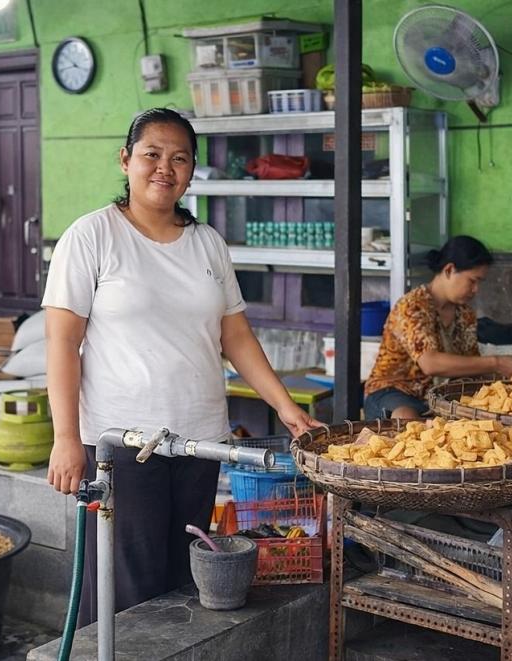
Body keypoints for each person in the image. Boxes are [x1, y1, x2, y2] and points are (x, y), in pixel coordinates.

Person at [41, 108, 319, 625]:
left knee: (181, 581)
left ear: (192, 172)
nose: (163, 168)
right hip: (121, 446)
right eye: (151, 154)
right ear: (126, 160)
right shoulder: (91, 237)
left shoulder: (207, 243)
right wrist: (64, 437)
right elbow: (61, 344)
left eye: (179, 159)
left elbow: (235, 335)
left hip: (198, 439)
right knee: (129, 585)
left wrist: (286, 408)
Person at [363, 235, 512, 420]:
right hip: (393, 391)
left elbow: (470, 365)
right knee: (406, 418)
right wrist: (497, 362)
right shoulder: (413, 306)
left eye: (479, 283)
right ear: (449, 270)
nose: (476, 289)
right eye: (472, 281)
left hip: (437, 396)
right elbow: (430, 363)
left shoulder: (465, 314)